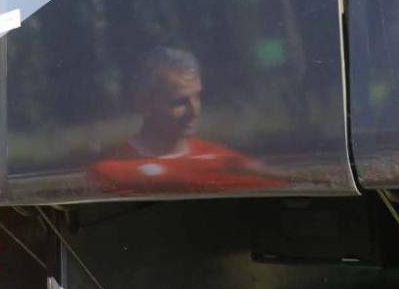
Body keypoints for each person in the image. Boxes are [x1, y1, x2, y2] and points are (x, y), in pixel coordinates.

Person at [89, 46, 281, 193]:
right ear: (144, 105)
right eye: (179, 102)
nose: (194, 110)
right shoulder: (113, 170)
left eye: (197, 97)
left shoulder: (223, 157)